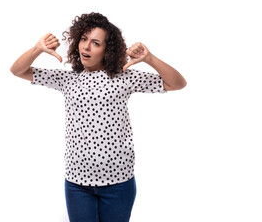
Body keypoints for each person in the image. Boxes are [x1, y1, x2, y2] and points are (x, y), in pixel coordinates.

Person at [10, 12, 186, 222]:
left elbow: (177, 83)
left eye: (95, 43)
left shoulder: (125, 77)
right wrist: (37, 48)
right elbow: (18, 71)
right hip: (77, 183)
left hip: (118, 182)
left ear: (107, 50)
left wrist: (149, 58)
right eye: (83, 39)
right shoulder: (68, 79)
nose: (86, 47)